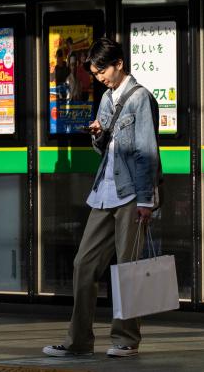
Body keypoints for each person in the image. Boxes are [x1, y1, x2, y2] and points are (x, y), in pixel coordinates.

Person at [43, 38, 161, 358]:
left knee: (128, 268)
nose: (99, 78)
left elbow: (147, 153)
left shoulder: (141, 99)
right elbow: (105, 149)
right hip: (104, 193)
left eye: (102, 71)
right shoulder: (107, 99)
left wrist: (146, 201)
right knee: (84, 264)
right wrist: (98, 134)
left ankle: (126, 338)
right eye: (95, 74)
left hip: (131, 196)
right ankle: (79, 340)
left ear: (119, 63)